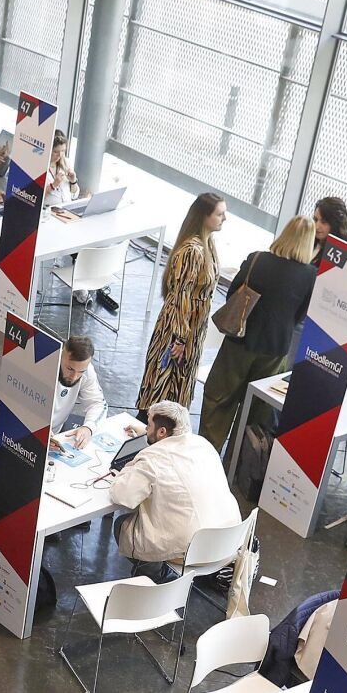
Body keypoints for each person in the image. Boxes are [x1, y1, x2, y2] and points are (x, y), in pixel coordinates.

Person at [197, 216, 319, 451]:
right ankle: (234, 469)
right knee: (255, 413)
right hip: (274, 349)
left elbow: (233, 293)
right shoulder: (310, 276)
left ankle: (206, 455)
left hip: (239, 342)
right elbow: (301, 315)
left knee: (219, 400)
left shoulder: (257, 259)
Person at [106, 401, 241, 579]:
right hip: (228, 541)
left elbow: (122, 496)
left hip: (191, 550)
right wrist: (151, 440)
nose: (146, 430)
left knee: (122, 525)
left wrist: (127, 469)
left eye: (149, 426)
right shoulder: (203, 445)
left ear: (162, 432)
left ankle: (156, 580)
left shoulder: (152, 459)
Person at [137, 192, 222, 414]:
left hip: (192, 329)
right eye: (220, 214)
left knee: (176, 387)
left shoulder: (207, 245)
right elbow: (182, 296)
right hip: (178, 330)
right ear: (205, 216)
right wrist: (181, 337)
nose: (224, 218)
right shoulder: (192, 251)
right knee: (163, 383)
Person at [47, 335, 105, 444]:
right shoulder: (44, 364)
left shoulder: (87, 372)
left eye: (81, 371)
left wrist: (88, 427)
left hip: (56, 434)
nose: (74, 377)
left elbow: (97, 403)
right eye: (70, 369)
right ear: (61, 355)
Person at [42, 130, 81, 209]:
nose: (60, 155)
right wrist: (53, 185)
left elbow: (74, 195)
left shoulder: (66, 163)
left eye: (63, 151)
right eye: (56, 152)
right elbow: (35, 197)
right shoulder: (40, 166)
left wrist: (73, 181)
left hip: (66, 209)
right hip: (48, 211)